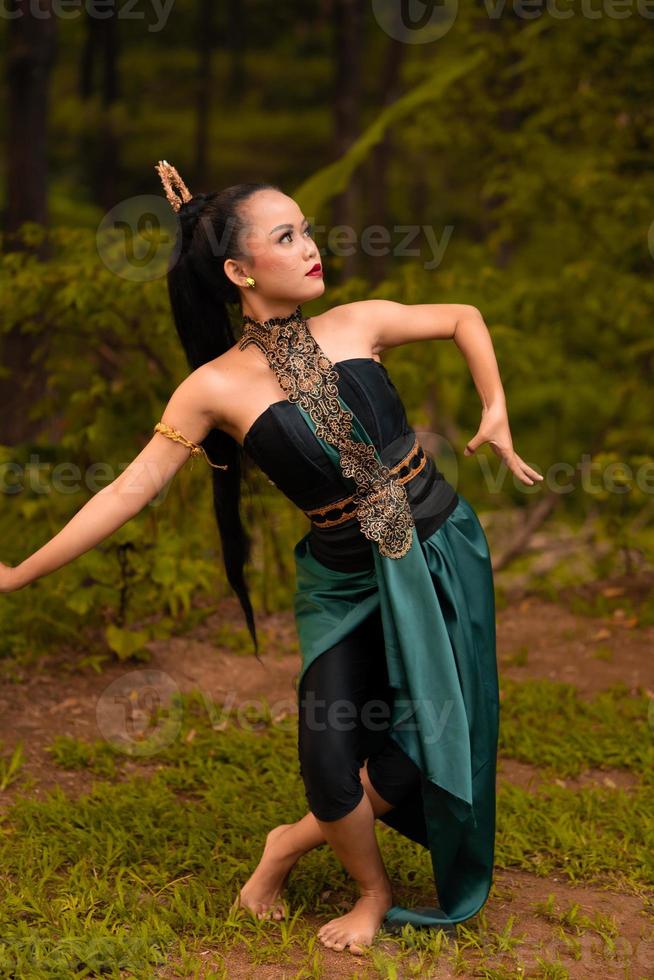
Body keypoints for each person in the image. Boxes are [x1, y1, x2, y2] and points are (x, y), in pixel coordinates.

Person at [0, 161, 544, 956]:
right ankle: (371, 889)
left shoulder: (358, 322)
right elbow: (126, 489)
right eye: (288, 236)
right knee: (327, 753)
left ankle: (289, 848)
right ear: (239, 269)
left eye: (308, 230)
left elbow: (465, 316)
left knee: (424, 742)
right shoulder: (213, 388)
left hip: (434, 548)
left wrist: (494, 411)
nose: (313, 247)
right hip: (344, 577)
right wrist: (17, 573)